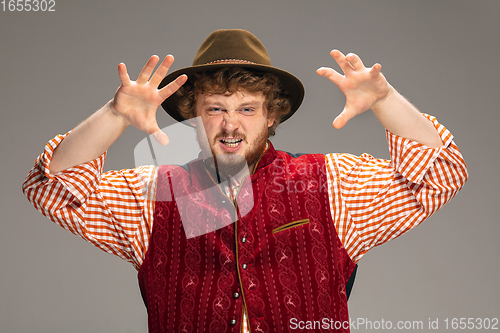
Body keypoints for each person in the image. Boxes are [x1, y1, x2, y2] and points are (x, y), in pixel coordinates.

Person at [22, 29, 467, 332]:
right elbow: (52, 188)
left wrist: (386, 101)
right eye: (215, 108)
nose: (230, 125)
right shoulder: (150, 195)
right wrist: (115, 115)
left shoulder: (333, 183)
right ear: (193, 116)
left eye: (247, 109)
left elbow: (440, 173)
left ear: (271, 115)